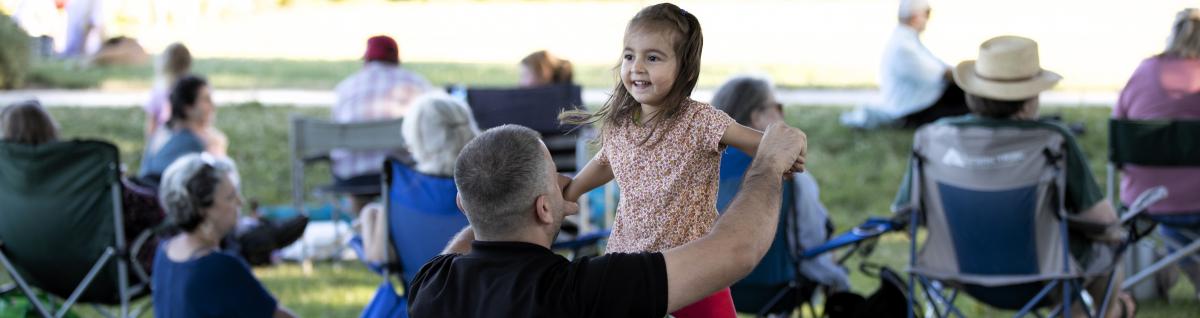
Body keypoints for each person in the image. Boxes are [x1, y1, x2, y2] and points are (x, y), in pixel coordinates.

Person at [407, 123, 807, 317]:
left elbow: (478, 226)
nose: (568, 181)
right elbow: (735, 250)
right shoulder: (582, 291)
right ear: (544, 209)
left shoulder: (431, 286)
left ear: (464, 205)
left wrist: (494, 202)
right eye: (555, 176)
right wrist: (768, 164)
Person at [558, 4, 805, 317]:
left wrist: (784, 152)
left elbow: (758, 142)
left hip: (694, 266)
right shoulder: (621, 123)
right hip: (631, 261)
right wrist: (573, 190)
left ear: (685, 69)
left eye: (653, 57)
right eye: (629, 55)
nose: (636, 67)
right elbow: (608, 161)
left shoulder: (700, 121)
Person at [892, 36, 1134, 317]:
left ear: (973, 91)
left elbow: (904, 213)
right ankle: (1112, 311)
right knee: (1107, 249)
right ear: (1031, 98)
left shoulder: (933, 138)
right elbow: (1103, 221)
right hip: (1045, 278)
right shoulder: (1052, 140)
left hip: (957, 273)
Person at [711, 76, 851, 313]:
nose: (782, 116)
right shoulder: (789, 174)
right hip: (776, 289)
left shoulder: (696, 169)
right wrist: (838, 277)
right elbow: (811, 239)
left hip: (707, 285)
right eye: (776, 108)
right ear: (757, 117)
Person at [1, 99, 166, 277]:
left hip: (35, 273)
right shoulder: (80, 176)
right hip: (103, 273)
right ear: (51, 129)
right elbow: (153, 210)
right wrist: (118, 184)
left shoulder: (8, 187)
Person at [1113, 8, 1200, 299]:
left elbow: (1120, 127)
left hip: (1146, 201)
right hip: (1191, 200)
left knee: (1174, 218)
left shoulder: (1144, 71)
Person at [152, 154, 296, 318]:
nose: (240, 202)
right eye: (231, 197)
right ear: (203, 208)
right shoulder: (219, 266)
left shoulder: (165, 251)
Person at [356, 93, 480, 265]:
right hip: (479, 286)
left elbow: (380, 256)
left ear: (415, 138)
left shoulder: (403, 185)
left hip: (419, 288)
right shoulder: (484, 183)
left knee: (370, 212)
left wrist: (368, 217)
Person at [332, 35, 434, 213]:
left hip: (352, 178)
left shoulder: (345, 87)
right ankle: (398, 232)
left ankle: (362, 229)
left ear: (367, 59)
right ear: (396, 59)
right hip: (401, 175)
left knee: (357, 187)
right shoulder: (417, 84)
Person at [840, 0, 968, 129]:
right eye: (927, 14)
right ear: (915, 17)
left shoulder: (906, 38)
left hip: (920, 102)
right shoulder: (904, 46)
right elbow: (943, 74)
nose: (928, 19)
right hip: (911, 110)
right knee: (967, 98)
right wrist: (973, 74)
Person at [139, 74, 226, 182]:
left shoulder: (162, 132)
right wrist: (216, 149)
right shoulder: (193, 142)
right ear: (187, 108)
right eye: (206, 100)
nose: (213, 105)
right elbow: (222, 185)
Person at [145, 42, 192, 149]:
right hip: (182, 140)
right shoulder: (190, 89)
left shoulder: (158, 90)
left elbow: (151, 126)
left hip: (162, 141)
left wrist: (150, 149)